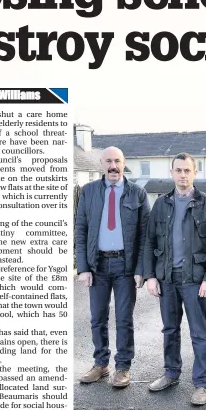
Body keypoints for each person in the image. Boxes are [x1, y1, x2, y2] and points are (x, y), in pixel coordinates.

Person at [144, 152, 206, 405]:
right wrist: (150, 276)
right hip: (166, 278)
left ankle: (201, 384)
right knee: (170, 329)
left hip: (194, 280)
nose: (182, 175)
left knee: (199, 333)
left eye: (187, 171)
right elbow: (149, 242)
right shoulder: (161, 204)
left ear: (194, 173)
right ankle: (171, 373)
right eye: (178, 170)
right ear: (172, 173)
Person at [75, 146, 150, 388]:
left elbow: (145, 236)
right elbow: (81, 230)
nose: (113, 166)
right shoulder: (88, 192)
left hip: (125, 266)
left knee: (124, 318)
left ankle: (123, 367)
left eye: (117, 161)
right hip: (97, 265)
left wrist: (141, 269)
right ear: (102, 164)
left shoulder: (137, 193)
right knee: (97, 318)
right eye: (108, 161)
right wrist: (83, 267)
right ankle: (101, 364)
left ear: (124, 163)